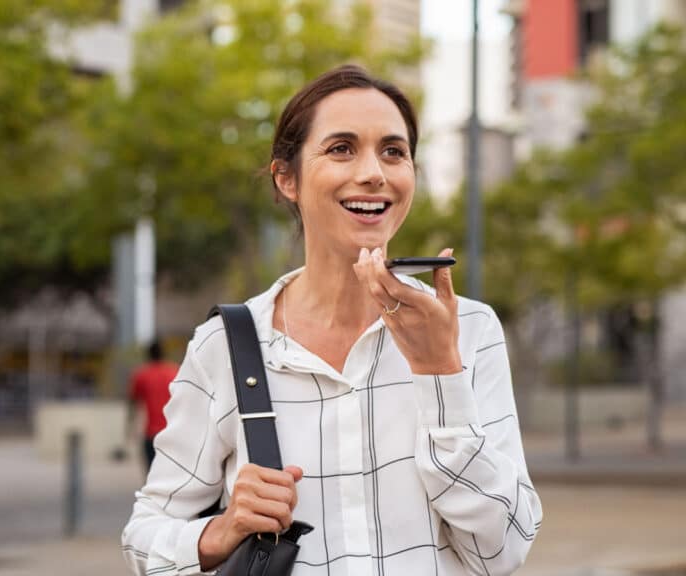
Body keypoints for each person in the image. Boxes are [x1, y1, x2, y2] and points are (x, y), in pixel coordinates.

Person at [121, 64, 542, 576]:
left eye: (394, 151)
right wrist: (221, 529)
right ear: (287, 178)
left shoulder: (470, 331)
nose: (374, 172)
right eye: (342, 148)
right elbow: (145, 535)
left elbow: (502, 552)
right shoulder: (226, 346)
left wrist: (440, 374)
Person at [128, 340, 179, 473]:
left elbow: (134, 403)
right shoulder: (174, 372)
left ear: (148, 355)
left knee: (151, 476)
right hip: (172, 431)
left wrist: (129, 427)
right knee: (171, 475)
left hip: (151, 433)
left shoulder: (142, 375)